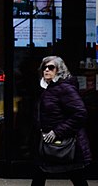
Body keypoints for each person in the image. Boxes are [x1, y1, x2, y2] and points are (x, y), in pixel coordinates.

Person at [32, 56, 91, 186]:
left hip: (65, 142)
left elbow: (80, 113)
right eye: (44, 67)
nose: (47, 70)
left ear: (59, 70)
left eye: (51, 67)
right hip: (48, 142)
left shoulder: (64, 88)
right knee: (39, 174)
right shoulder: (47, 88)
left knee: (76, 175)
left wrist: (56, 132)